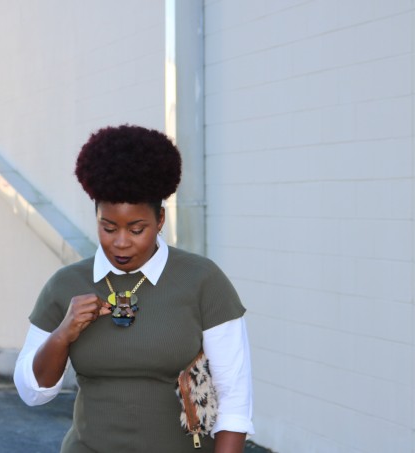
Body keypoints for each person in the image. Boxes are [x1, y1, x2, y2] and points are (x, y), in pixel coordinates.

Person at [14, 125, 253, 453]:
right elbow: (33, 392)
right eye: (108, 227)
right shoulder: (66, 285)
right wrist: (62, 334)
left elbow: (234, 399)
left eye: (137, 229)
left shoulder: (203, 281)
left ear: (160, 221)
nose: (121, 242)